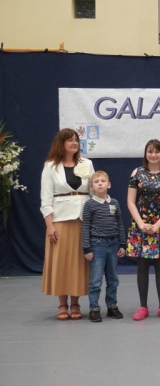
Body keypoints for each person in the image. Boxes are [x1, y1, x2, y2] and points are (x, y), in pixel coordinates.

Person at [40, 128, 95, 320]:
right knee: (61, 262)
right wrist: (50, 225)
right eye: (70, 140)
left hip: (83, 220)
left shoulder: (87, 164)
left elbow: (94, 192)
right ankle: (62, 304)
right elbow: (46, 199)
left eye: (76, 140)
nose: (74, 143)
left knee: (79, 262)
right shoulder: (50, 166)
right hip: (60, 220)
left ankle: (76, 303)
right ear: (61, 143)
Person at [127, 139, 160, 321]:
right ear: (145, 154)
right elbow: (130, 201)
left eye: (157, 151)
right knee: (142, 266)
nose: (153, 155)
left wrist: (157, 225)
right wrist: (141, 224)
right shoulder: (137, 173)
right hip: (140, 226)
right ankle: (143, 307)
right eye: (150, 151)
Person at [82, 171, 126, 322]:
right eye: (96, 182)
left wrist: (122, 243)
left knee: (113, 279)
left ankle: (112, 306)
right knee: (95, 280)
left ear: (109, 184)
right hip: (97, 245)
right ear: (92, 187)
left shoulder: (114, 203)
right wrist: (86, 248)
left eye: (103, 181)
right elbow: (86, 226)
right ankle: (94, 308)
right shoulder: (89, 204)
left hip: (113, 245)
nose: (100, 183)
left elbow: (119, 224)